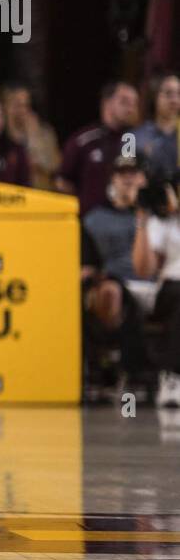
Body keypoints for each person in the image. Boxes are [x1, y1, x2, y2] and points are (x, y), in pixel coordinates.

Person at [82, 156, 152, 398]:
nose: (129, 179)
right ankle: (113, 367)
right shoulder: (94, 218)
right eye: (123, 174)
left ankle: (152, 373)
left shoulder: (157, 214)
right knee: (113, 292)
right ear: (113, 178)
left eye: (134, 173)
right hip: (115, 283)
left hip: (154, 283)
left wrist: (143, 209)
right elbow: (87, 264)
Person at [131, 174, 180, 407]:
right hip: (171, 289)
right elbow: (144, 269)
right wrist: (142, 221)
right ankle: (172, 375)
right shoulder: (162, 223)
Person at [58, 80, 139, 215]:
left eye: (134, 103)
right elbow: (62, 181)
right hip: (89, 219)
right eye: (124, 102)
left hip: (128, 219)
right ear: (106, 103)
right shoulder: (85, 140)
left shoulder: (136, 140)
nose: (130, 108)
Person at [1, 82, 61, 190]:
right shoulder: (0, 134)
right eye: (18, 105)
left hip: (39, 195)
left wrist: (34, 137)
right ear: (6, 107)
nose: (23, 110)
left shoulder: (45, 133)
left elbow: (53, 165)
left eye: (26, 105)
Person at [135, 72, 180, 182]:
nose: (174, 100)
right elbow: (125, 175)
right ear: (154, 96)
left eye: (178, 94)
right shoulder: (134, 137)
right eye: (168, 94)